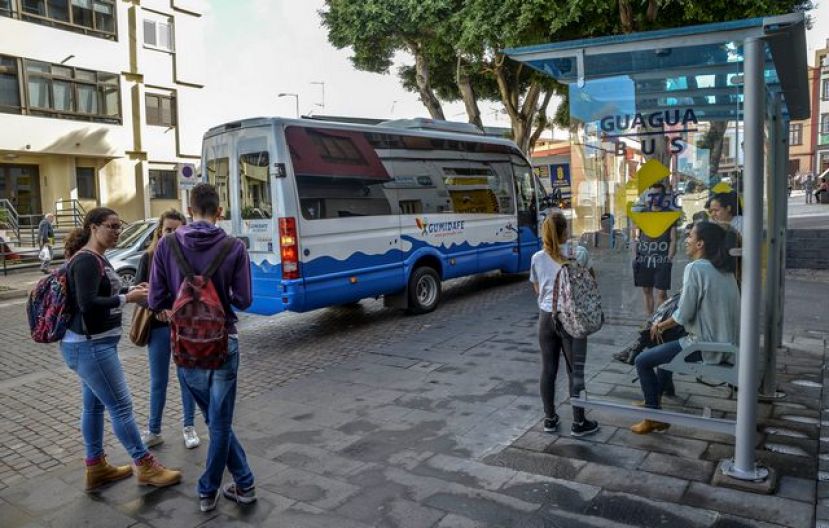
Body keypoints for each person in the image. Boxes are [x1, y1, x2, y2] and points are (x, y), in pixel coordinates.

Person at [149, 183, 256, 512]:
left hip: (186, 346)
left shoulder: (167, 244)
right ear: (219, 211)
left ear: (189, 209)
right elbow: (244, 299)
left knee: (214, 418)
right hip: (224, 343)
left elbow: (155, 299)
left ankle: (233, 485)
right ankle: (223, 488)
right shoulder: (234, 247)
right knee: (219, 420)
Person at [60, 207, 182, 491]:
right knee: (121, 406)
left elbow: (98, 297)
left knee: (94, 406)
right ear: (93, 227)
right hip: (91, 347)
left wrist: (127, 293)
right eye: (111, 226)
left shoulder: (97, 258)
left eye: (119, 226)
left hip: (91, 345)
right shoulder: (87, 260)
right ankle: (146, 466)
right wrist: (126, 298)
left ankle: (96, 467)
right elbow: (87, 304)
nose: (117, 231)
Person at [630, 221, 740, 434]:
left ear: (700, 243)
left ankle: (653, 417)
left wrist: (660, 324)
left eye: (690, 236)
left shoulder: (696, 268)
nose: (686, 240)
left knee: (642, 360)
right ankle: (654, 400)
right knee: (664, 351)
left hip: (704, 346)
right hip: (726, 343)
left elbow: (684, 313)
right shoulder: (725, 270)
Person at [529, 210, 600, 438]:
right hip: (572, 319)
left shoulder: (537, 258)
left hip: (546, 318)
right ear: (565, 231)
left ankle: (550, 419)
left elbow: (538, 289)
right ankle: (579, 423)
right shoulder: (578, 253)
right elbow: (590, 282)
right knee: (574, 372)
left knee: (548, 369)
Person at [137, 210, 200, 450]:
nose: (171, 234)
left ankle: (189, 427)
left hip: (184, 327)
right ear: (160, 231)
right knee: (158, 381)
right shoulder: (149, 256)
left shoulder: (189, 258)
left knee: (187, 378)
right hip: (158, 328)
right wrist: (156, 309)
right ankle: (154, 430)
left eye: (177, 230)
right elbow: (140, 292)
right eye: (167, 230)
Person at [633, 182, 677, 315]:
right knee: (647, 291)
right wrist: (636, 256)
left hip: (662, 259)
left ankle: (660, 321)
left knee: (662, 293)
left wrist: (669, 258)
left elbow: (673, 239)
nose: (654, 198)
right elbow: (635, 236)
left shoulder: (669, 215)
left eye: (657, 195)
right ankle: (649, 322)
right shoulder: (642, 214)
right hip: (644, 258)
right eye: (651, 195)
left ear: (663, 196)